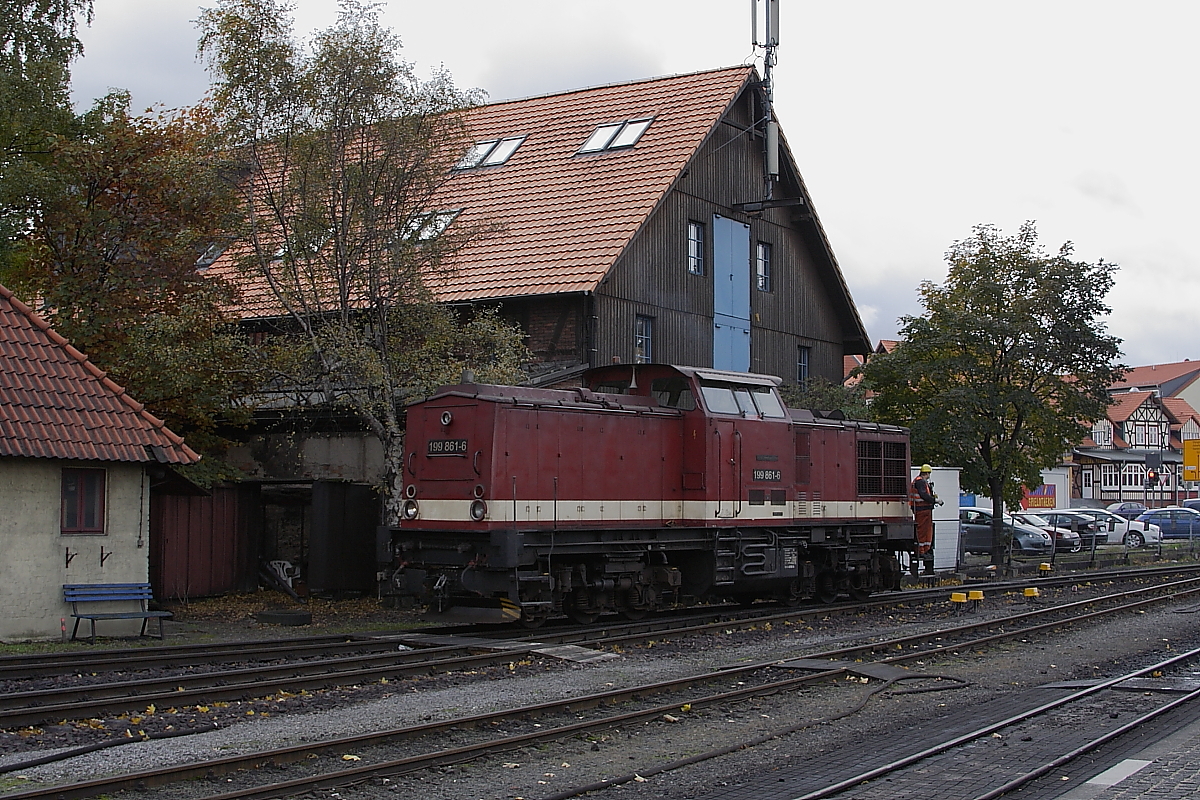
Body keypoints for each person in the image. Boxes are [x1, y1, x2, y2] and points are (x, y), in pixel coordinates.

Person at [909, 464, 941, 574]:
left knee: (924, 531)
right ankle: (922, 550)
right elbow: (923, 495)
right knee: (923, 531)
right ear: (927, 473)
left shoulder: (916, 481)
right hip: (923, 510)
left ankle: (924, 549)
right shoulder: (921, 482)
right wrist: (934, 500)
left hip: (920, 510)